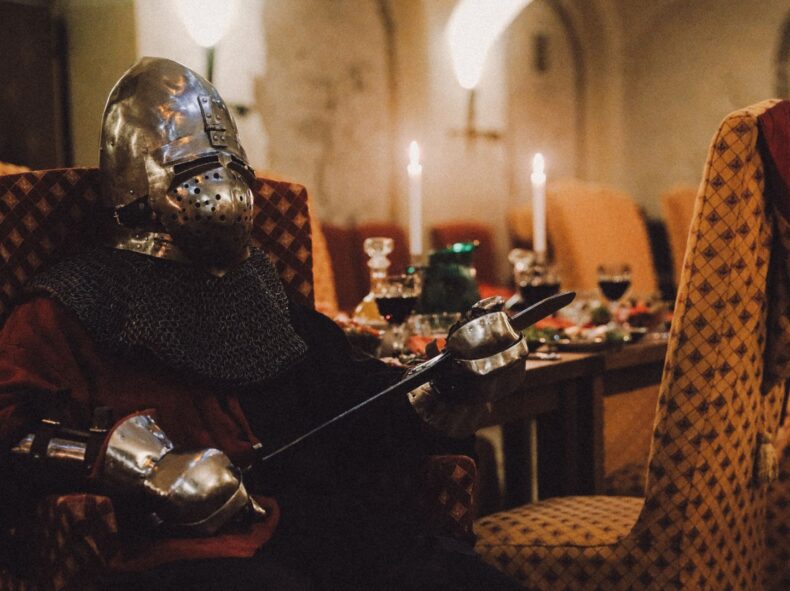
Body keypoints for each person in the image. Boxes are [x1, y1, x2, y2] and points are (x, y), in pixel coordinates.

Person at [0, 58, 528, 591]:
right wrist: (141, 464)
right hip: (186, 555)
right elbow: (10, 433)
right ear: (135, 184)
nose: (223, 190)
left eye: (232, 167)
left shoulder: (256, 287)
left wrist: (450, 376)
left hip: (321, 533)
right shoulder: (72, 303)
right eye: (193, 168)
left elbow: (353, 396)